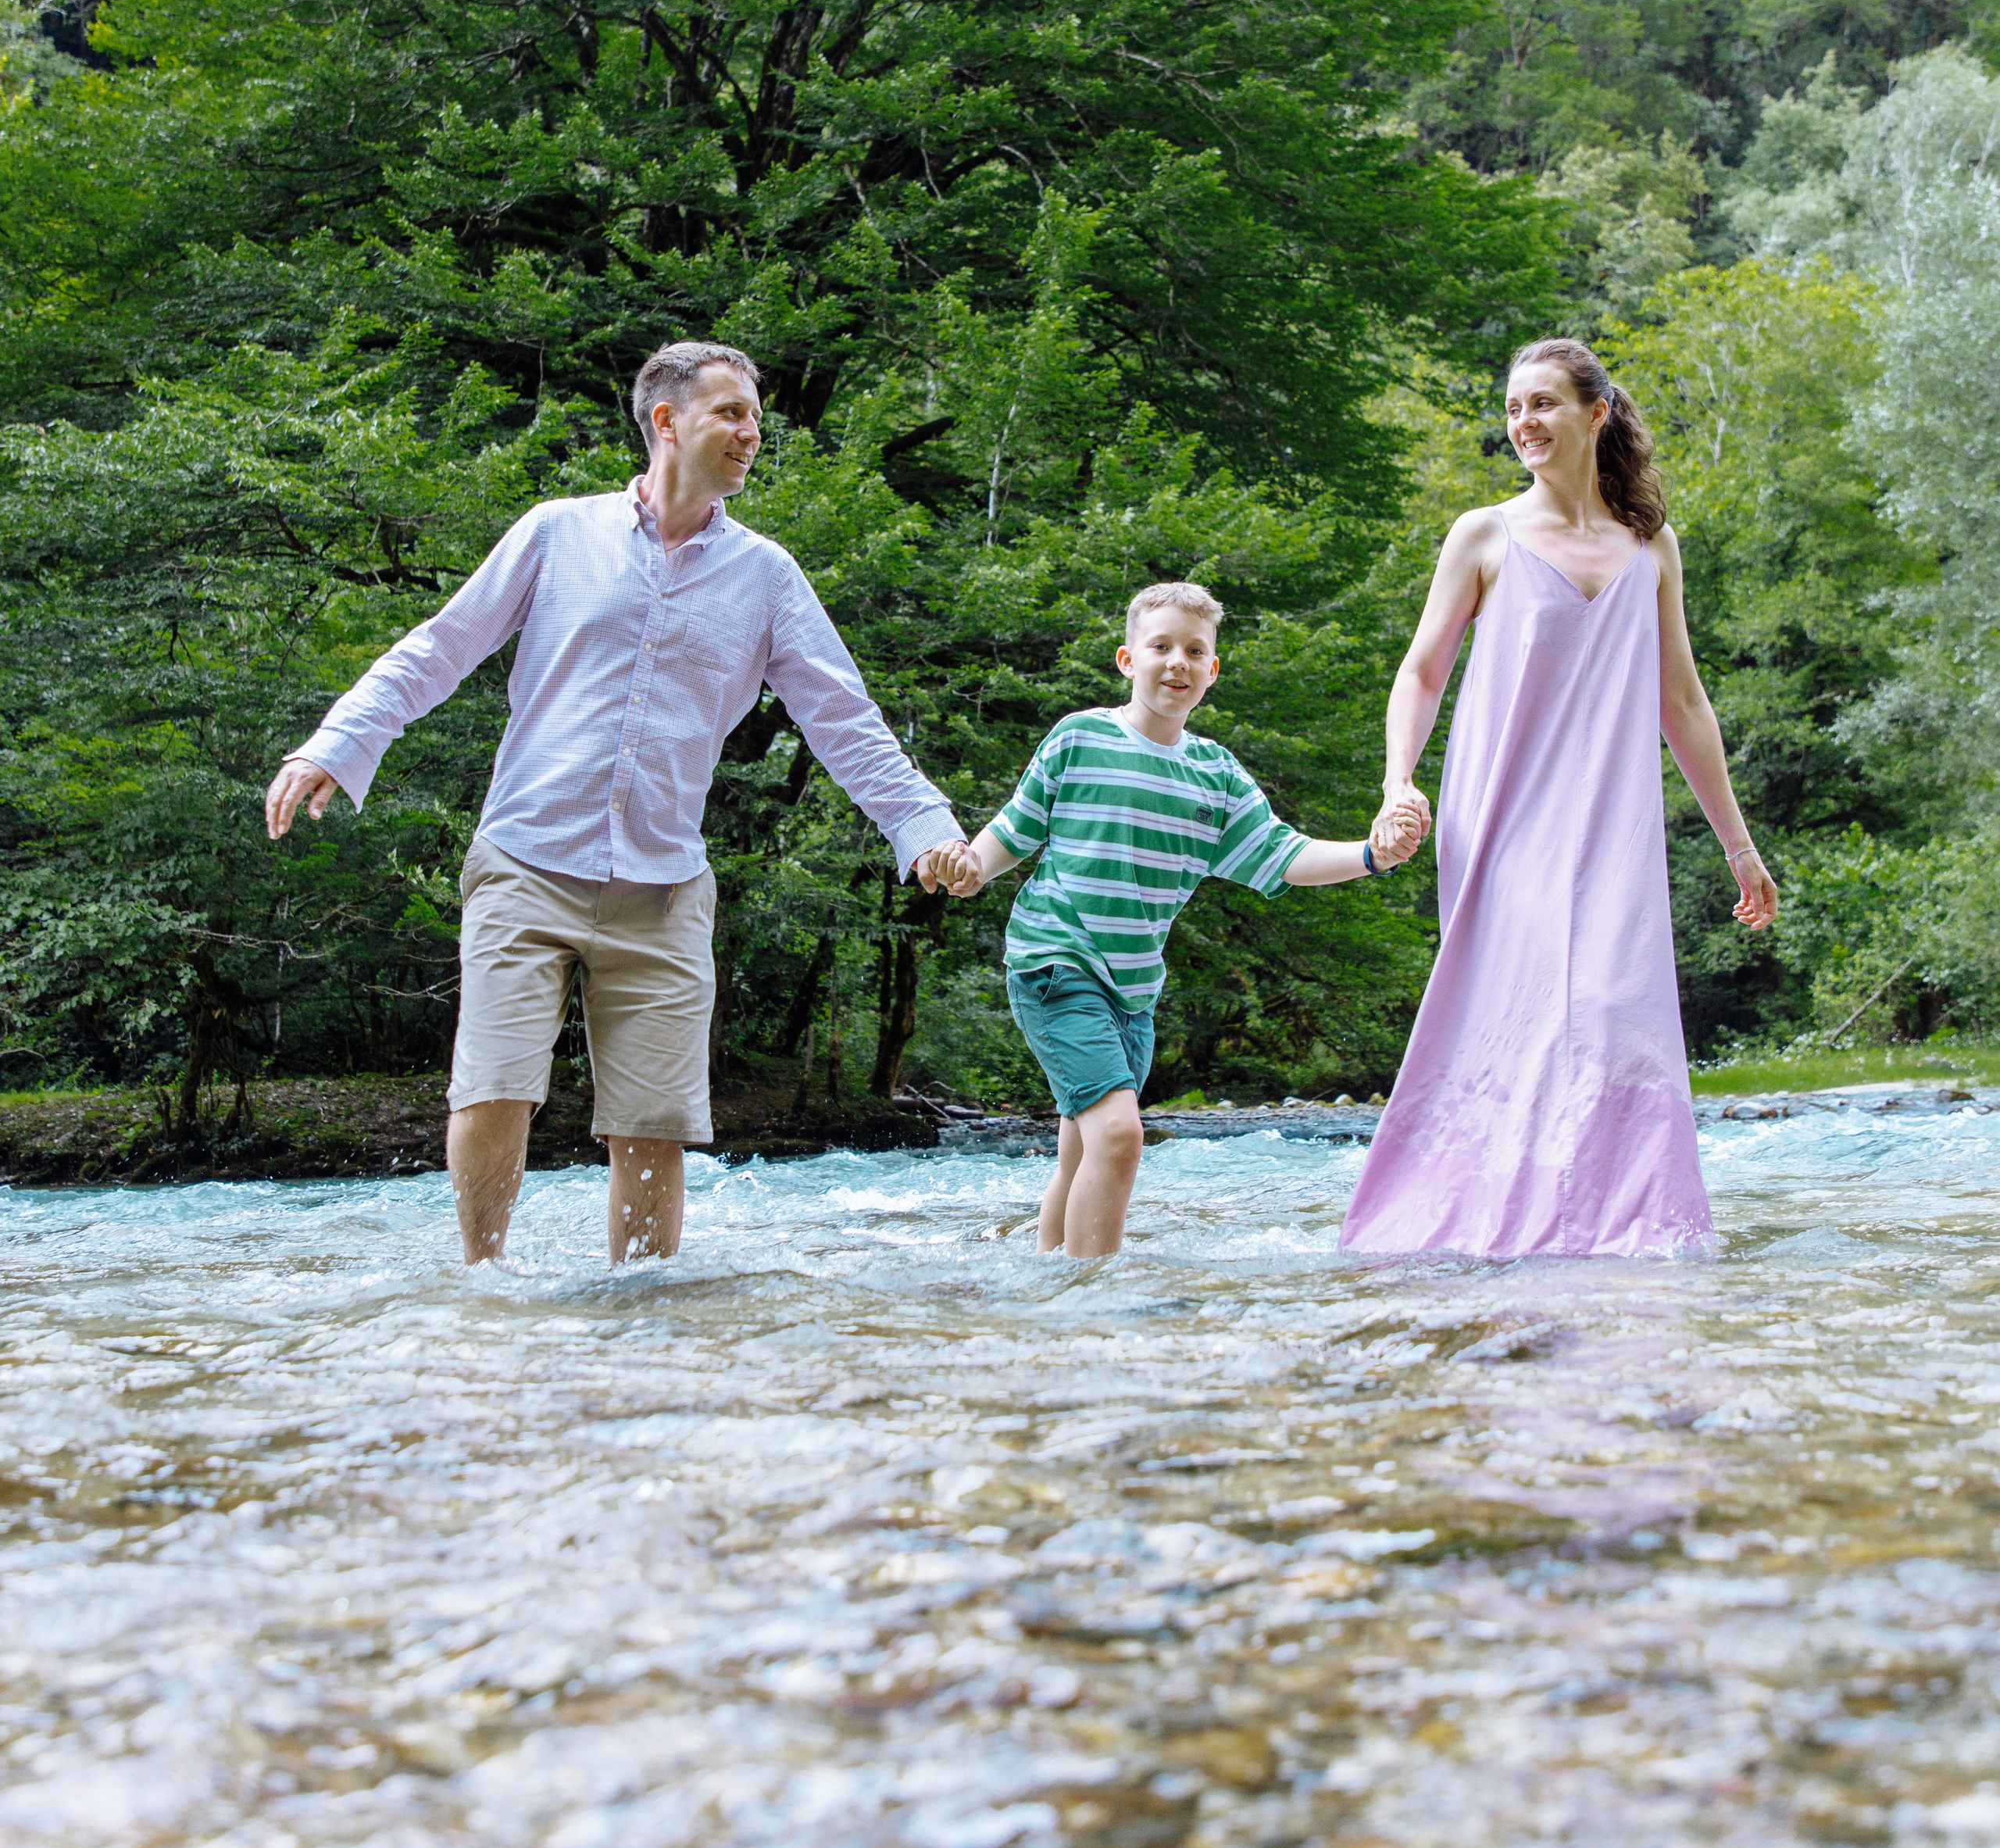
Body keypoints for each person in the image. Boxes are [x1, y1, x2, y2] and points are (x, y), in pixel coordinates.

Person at [264, 341, 969, 1266]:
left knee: (652, 1124)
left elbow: (844, 720)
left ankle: (640, 1321)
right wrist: (339, 743)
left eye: (757, 418)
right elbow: (437, 649)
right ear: (665, 420)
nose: (752, 434)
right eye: (732, 414)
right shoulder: (558, 532)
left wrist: (922, 830)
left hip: (664, 888)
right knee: (493, 1090)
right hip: (525, 862)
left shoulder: (767, 578)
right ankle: (485, 1292)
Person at [1339, 337, 1779, 1261]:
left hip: (1613, 826)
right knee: (1521, 1010)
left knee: (1616, 1010)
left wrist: (1738, 846)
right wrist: (1395, 781)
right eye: (1511, 409)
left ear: (1595, 412)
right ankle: (1479, 1221)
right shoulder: (1484, 534)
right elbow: (1421, 674)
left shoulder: (1649, 544)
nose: (1523, 424)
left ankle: (1615, 1228)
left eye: (1541, 404)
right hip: (1502, 821)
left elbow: (1683, 701)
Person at [938, 581, 1421, 1258]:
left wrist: (1372, 855)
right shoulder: (1079, 739)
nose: (1178, 662)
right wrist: (970, 869)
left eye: (1195, 651)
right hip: (1056, 963)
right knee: (1118, 1136)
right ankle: (1091, 1298)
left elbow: (1285, 855)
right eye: (1160, 646)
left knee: (1082, 1151)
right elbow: (1013, 832)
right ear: (1127, 659)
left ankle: (1041, 1293)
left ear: (1212, 671)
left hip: (1134, 992)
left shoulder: (1215, 776)